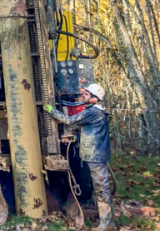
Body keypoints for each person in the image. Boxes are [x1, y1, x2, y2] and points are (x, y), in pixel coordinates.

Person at [44, 84, 114, 230]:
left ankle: (107, 224)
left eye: (87, 94)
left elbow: (69, 120)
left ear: (94, 99)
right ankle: (105, 220)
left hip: (95, 155)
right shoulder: (97, 112)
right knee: (100, 187)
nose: (83, 95)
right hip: (96, 154)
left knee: (102, 189)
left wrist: (51, 111)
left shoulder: (92, 112)